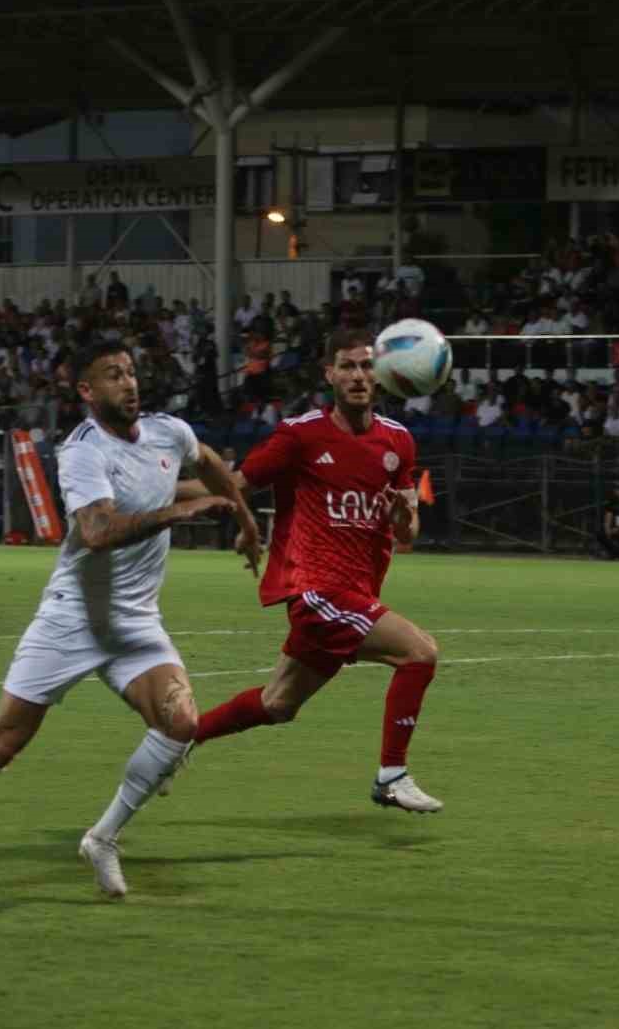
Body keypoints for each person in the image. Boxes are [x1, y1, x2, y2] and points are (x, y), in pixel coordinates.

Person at [0, 341, 259, 901]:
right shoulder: (82, 451)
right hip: (73, 617)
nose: (128, 383)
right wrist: (182, 510)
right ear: (87, 391)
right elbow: (98, 533)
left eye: (131, 372)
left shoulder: (168, 432)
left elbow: (212, 465)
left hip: (135, 621)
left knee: (180, 723)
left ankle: (102, 839)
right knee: (3, 742)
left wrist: (246, 522)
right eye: (113, 375)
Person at [178, 328, 445, 813]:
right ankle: (392, 775)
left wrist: (401, 516)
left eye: (367, 366)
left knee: (277, 703)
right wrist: (156, 491)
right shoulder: (300, 435)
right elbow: (234, 484)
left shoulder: (398, 441)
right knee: (420, 653)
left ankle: (179, 738)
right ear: (329, 374)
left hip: (355, 592)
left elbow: (408, 532)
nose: (358, 376)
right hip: (316, 589)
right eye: (347, 366)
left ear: (382, 374)